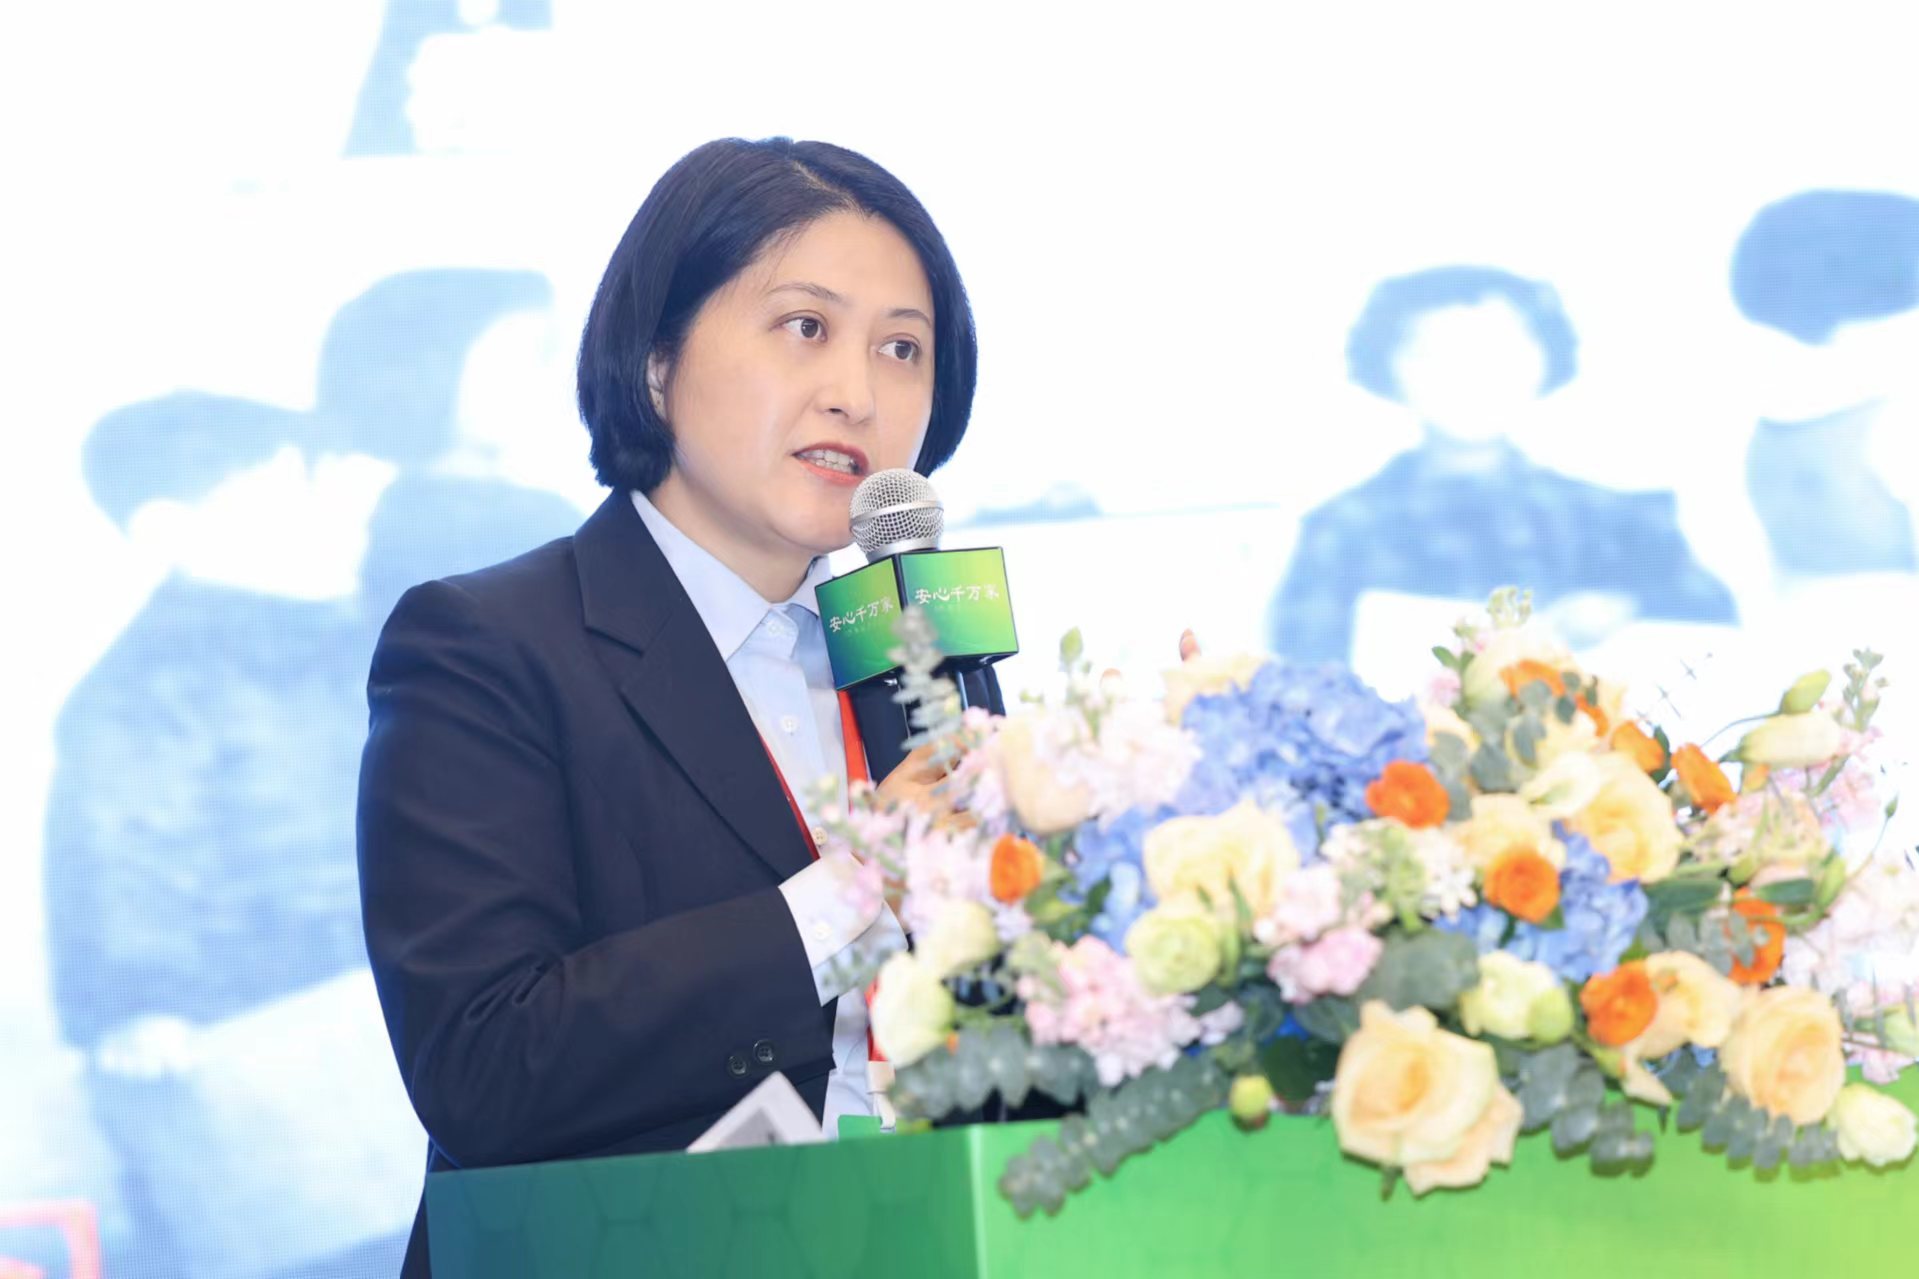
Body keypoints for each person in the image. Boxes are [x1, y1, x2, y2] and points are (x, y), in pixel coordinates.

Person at [357, 136, 977, 1277]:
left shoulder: (914, 654)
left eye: (902, 348)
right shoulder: (486, 645)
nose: (856, 392)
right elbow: (483, 1068)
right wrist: (853, 892)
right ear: (655, 361)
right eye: (805, 326)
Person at [1267, 264, 1738, 666]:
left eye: (1498, 353)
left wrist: (1628, 605)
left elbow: (1716, 633)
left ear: (1544, 362)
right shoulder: (1345, 528)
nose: (1469, 376)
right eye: (1434, 355)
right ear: (1386, 368)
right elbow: (1305, 674)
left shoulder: (1614, 518)